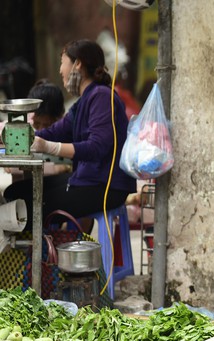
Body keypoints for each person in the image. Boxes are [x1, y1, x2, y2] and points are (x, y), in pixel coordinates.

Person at [3, 39, 136, 230]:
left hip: (105, 187)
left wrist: (50, 147)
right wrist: (14, 137)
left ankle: (41, 256)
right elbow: (57, 131)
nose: (60, 70)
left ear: (77, 64)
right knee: (16, 191)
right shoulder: (84, 101)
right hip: (87, 179)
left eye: (62, 62)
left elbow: (97, 147)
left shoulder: (102, 97)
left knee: (25, 208)